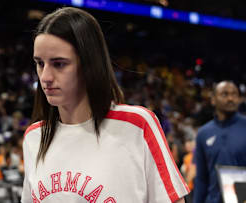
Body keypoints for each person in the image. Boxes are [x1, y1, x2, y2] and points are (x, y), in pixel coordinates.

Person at [21, 7, 189, 203]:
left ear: (89, 64)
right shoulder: (34, 137)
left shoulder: (136, 125)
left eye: (59, 64)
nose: (46, 77)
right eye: (40, 63)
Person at [193, 81, 246, 203]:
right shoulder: (203, 133)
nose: (230, 98)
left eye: (234, 94)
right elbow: (201, 178)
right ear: (213, 100)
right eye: (224, 94)